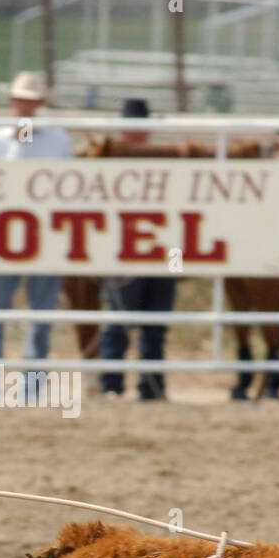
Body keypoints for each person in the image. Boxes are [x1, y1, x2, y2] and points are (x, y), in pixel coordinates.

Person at [0, 71, 72, 388]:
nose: (26, 106)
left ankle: (32, 385)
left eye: (32, 101)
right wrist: (20, 142)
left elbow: (65, 184)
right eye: (22, 100)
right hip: (4, 235)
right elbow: (1, 180)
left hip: (44, 234)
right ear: (14, 102)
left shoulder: (59, 139)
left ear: (41, 103)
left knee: (41, 316)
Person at [98, 98, 177, 400]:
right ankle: (113, 386)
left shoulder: (160, 158)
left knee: (154, 324)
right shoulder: (114, 157)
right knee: (118, 322)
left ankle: (150, 386)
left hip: (156, 248)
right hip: (124, 250)